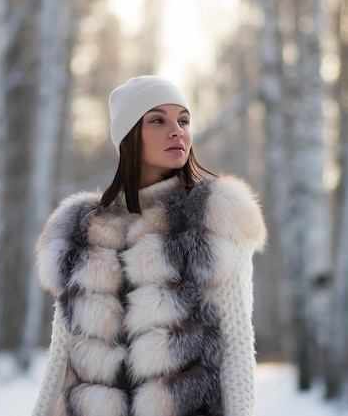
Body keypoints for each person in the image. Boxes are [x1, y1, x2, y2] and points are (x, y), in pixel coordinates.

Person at [31, 75, 267, 416]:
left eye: (183, 120)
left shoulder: (213, 217)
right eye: (158, 120)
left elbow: (237, 345)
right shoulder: (79, 230)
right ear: (129, 136)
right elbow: (61, 353)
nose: (177, 131)